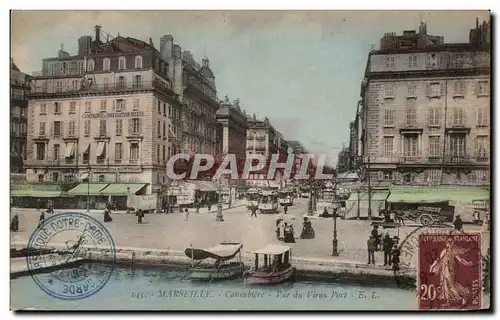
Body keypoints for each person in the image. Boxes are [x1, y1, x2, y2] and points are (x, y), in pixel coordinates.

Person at [428, 238, 473, 306]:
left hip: (450, 271)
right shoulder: (444, 251)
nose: (447, 243)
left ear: (451, 243)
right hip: (443, 270)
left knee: (451, 285)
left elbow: (460, 260)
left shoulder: (453, 251)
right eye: (447, 242)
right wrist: (432, 267)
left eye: (449, 242)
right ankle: (448, 302)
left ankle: (463, 296)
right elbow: (438, 260)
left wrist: (467, 263)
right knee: (445, 285)